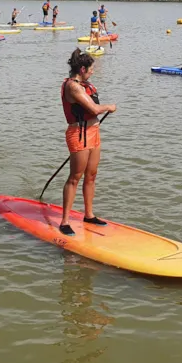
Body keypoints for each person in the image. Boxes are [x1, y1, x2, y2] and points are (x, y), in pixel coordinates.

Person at [59, 48, 117, 236]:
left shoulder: (84, 84)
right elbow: (94, 109)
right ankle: (65, 221)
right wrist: (109, 106)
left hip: (93, 132)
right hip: (79, 134)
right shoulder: (73, 87)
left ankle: (89, 215)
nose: (93, 72)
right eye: (91, 69)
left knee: (91, 175)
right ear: (82, 69)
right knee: (75, 177)